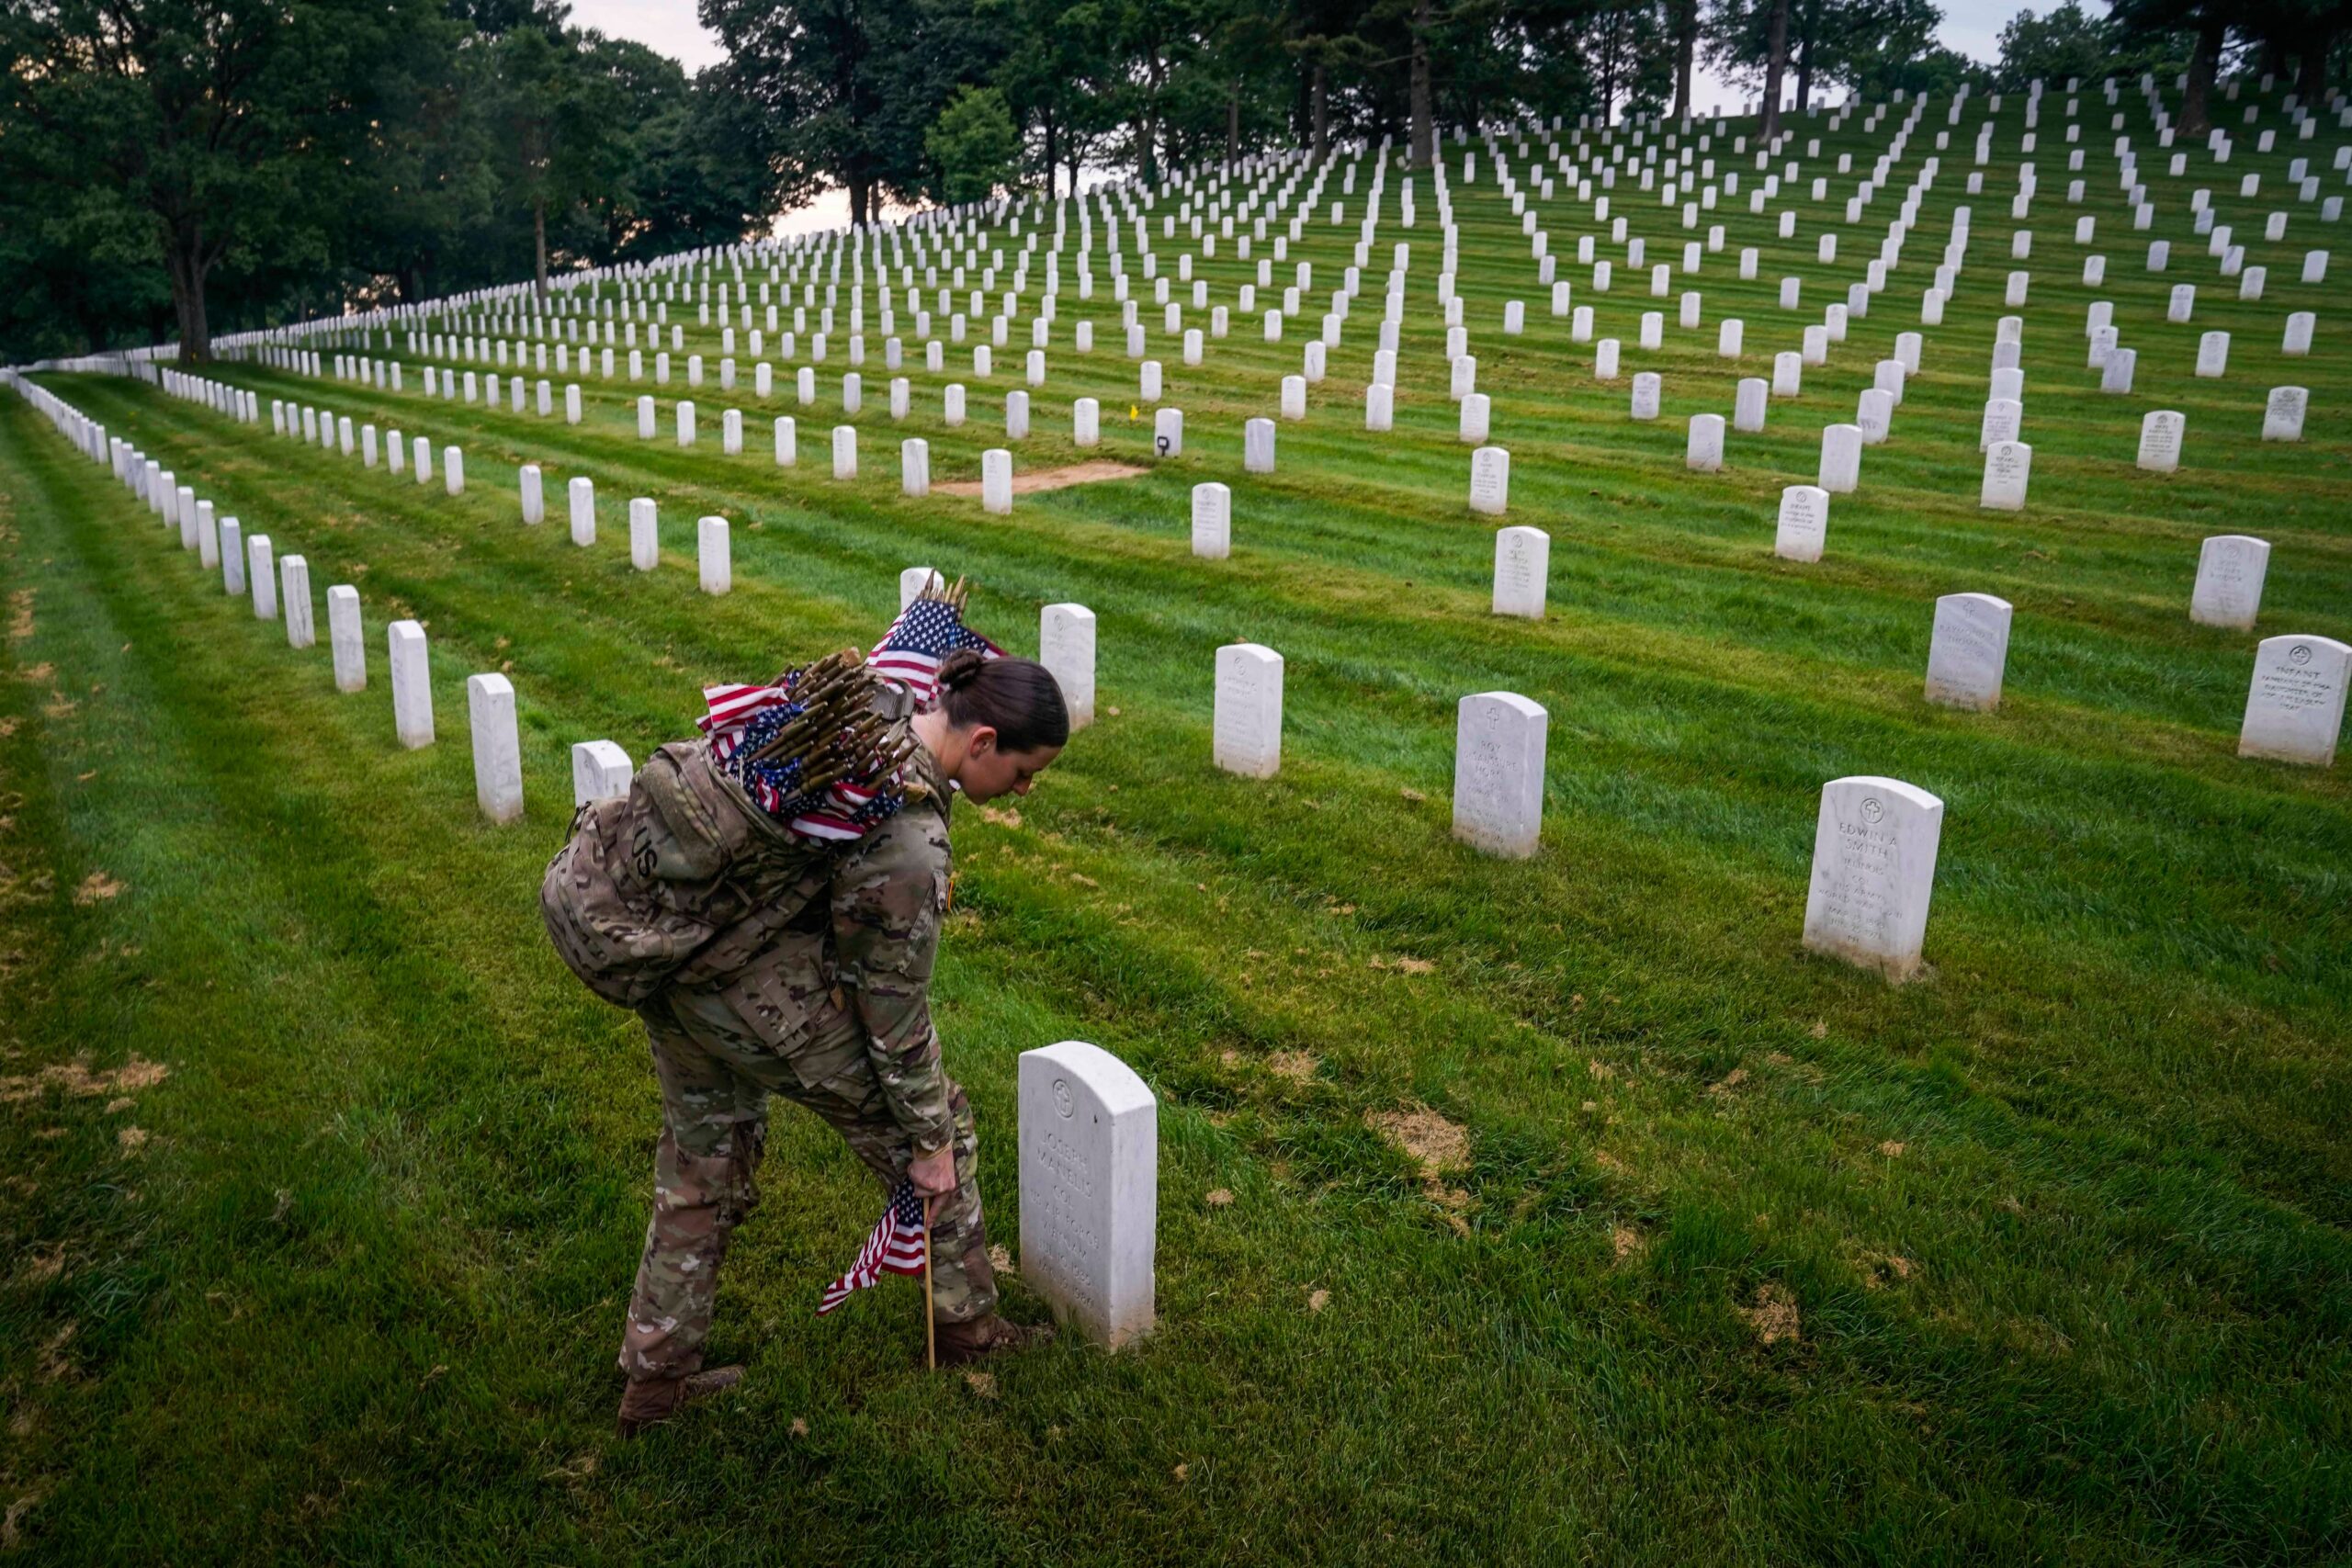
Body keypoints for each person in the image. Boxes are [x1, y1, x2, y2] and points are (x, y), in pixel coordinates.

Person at [613, 648, 1070, 1438]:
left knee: (702, 1161)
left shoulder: (882, 703)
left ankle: (653, 1388)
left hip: (674, 956)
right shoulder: (911, 838)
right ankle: (969, 1333)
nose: (1025, 790)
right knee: (943, 1131)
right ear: (985, 739)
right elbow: (888, 1010)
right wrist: (925, 1138)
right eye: (1026, 771)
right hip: (745, 985)